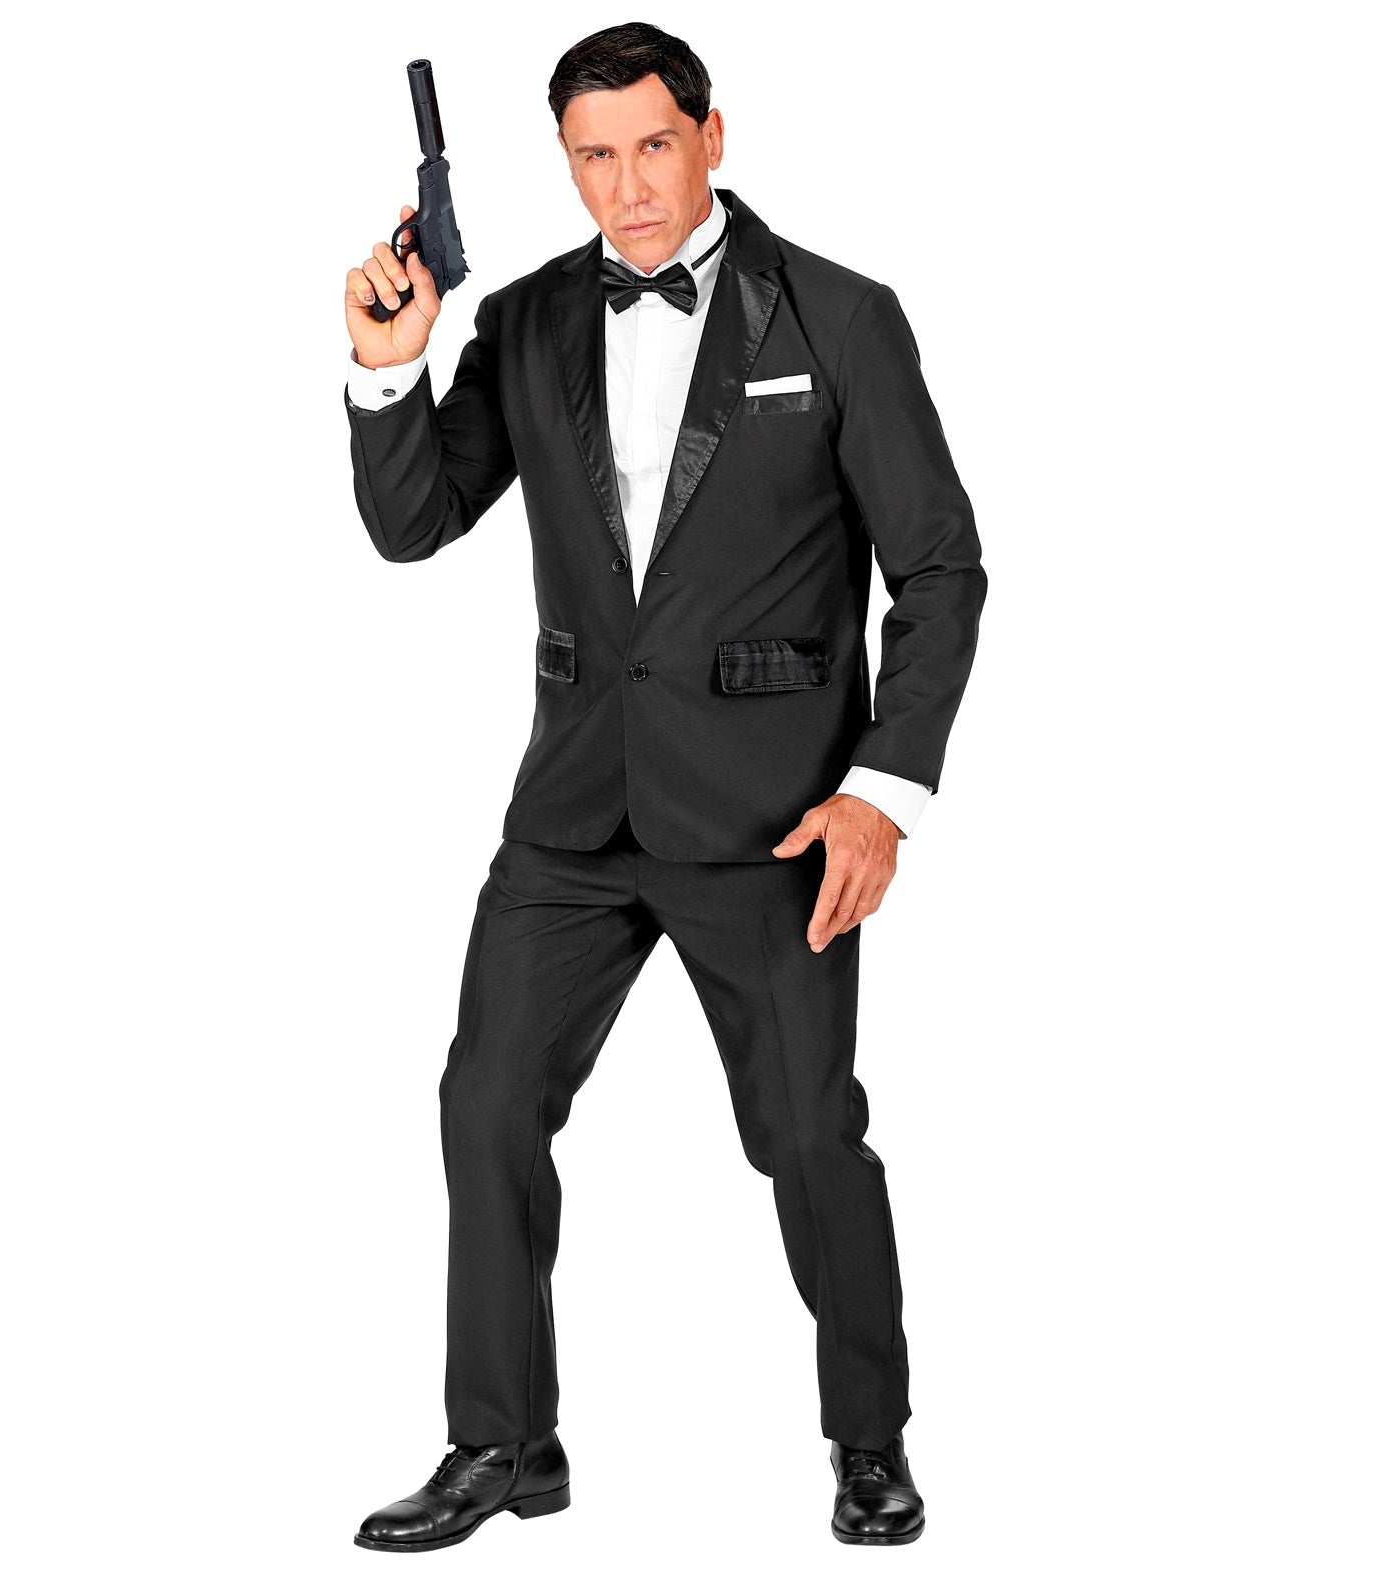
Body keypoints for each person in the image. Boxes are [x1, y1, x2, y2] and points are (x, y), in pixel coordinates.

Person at [341, 20, 985, 1552]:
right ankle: (502, 1444)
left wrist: (882, 791)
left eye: (650, 146)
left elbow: (939, 571)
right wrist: (387, 366)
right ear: (562, 163)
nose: (626, 188)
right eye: (592, 157)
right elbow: (416, 523)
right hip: (570, 814)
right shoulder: (529, 320)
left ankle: (869, 1440)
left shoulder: (836, 314)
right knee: (485, 1106)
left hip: (773, 818)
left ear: (710, 136)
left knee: (807, 1137)